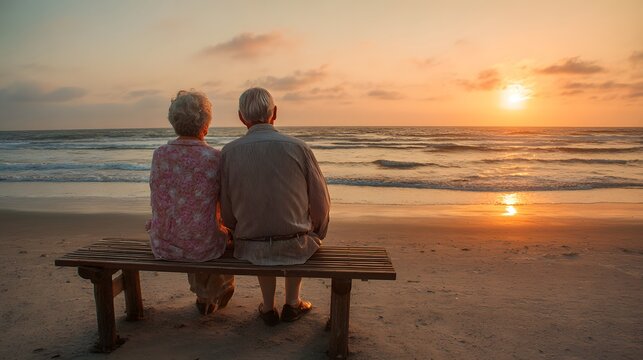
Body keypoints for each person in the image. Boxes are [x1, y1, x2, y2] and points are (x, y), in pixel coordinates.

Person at [220, 87, 330, 326]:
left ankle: (268, 307)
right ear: (275, 113)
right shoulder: (299, 148)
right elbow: (321, 201)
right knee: (296, 231)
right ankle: (293, 303)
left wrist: (235, 230)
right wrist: (317, 231)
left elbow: (226, 207)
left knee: (263, 232)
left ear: (241, 117)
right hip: (297, 243)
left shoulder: (228, 152)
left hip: (251, 245)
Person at [146, 90, 234, 315]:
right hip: (203, 243)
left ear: (174, 123)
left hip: (165, 242)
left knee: (190, 224)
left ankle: (204, 294)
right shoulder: (214, 157)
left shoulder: (160, 154)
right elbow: (224, 201)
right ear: (205, 124)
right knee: (215, 233)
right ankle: (214, 289)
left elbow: (159, 197)